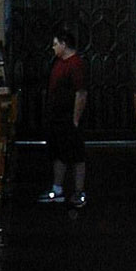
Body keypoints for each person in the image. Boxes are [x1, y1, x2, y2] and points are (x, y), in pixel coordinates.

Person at [38, 27, 88, 208]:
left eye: (55, 44)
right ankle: (57, 189)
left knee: (76, 156)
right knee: (58, 154)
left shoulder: (75, 64)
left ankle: (79, 192)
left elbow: (80, 92)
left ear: (64, 44)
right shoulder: (58, 62)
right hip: (56, 119)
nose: (53, 48)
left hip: (68, 119)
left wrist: (75, 119)